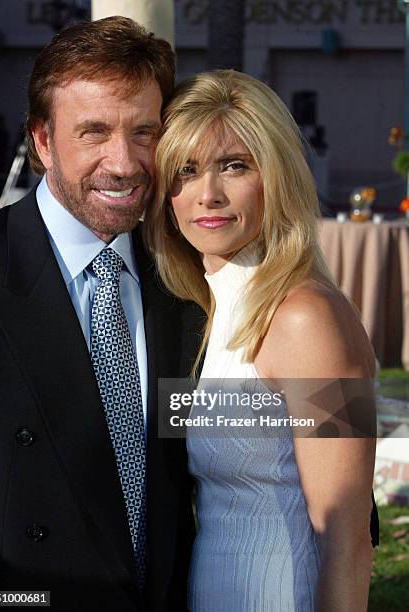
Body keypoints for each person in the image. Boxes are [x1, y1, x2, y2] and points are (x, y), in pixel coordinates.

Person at [0, 17, 201, 612]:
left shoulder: (191, 277)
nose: (125, 162)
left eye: (144, 132)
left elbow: (284, 420)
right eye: (94, 132)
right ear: (43, 141)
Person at [146, 70, 379, 611]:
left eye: (234, 166)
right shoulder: (204, 308)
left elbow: (350, 539)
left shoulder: (308, 319)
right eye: (185, 171)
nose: (208, 194)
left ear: (274, 176)